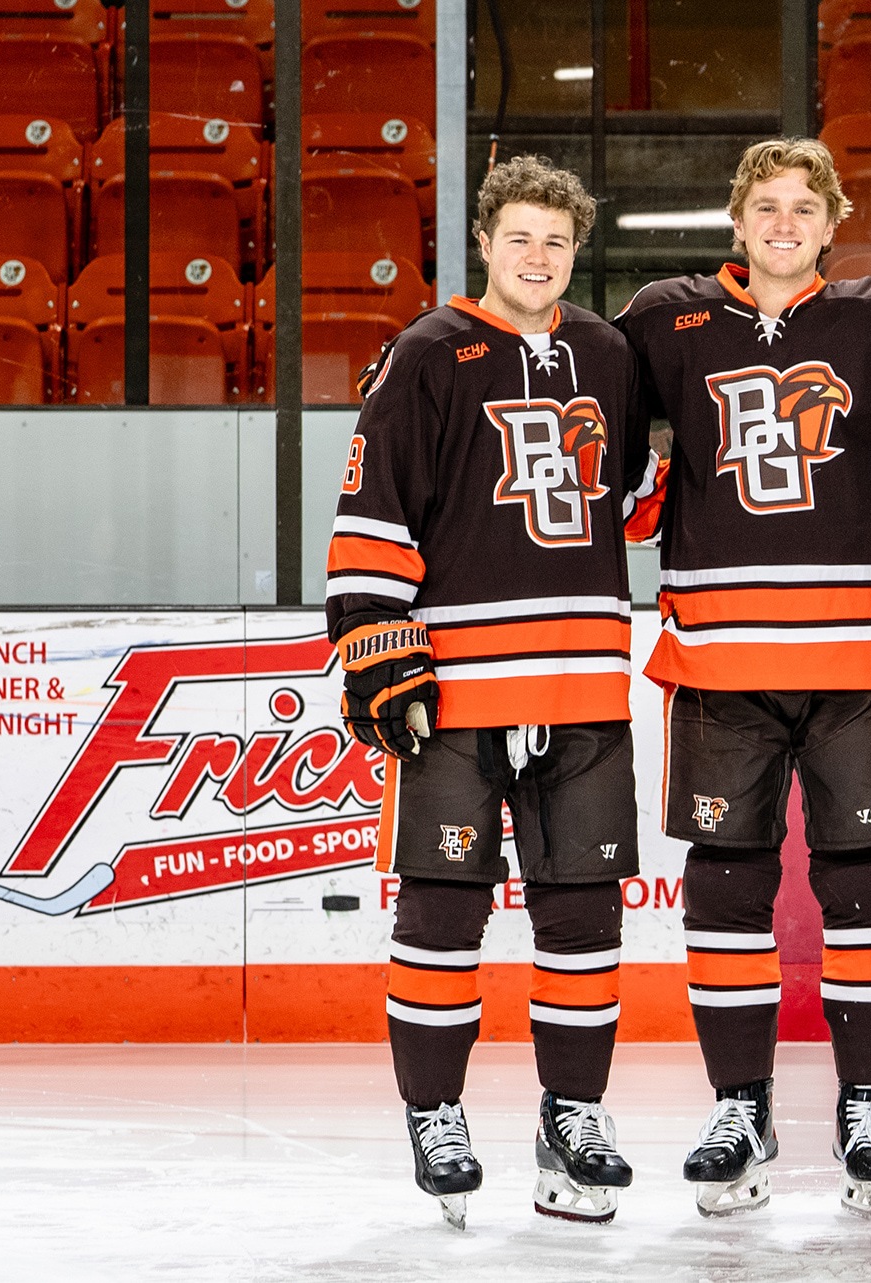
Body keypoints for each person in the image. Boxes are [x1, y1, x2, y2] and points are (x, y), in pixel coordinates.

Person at [613, 137, 871, 1219]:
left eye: (805, 205)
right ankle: (740, 1105)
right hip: (722, 654)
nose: (783, 222)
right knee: (726, 881)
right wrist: (649, 508)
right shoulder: (664, 319)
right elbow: (599, 424)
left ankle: (868, 1105)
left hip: (857, 652)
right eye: (765, 204)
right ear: (737, 217)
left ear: (832, 221)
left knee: (865, 879)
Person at [325, 155, 657, 1229]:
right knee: (440, 906)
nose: (538, 256)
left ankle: (574, 1111)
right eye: (520, 237)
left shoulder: (607, 352)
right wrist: (378, 649)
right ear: (483, 242)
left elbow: (637, 498)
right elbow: (373, 508)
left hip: (584, 683)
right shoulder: (427, 353)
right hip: (459, 691)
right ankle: (436, 1111)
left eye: (557, 240)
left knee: (582, 910)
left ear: (578, 248)